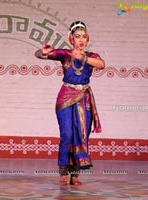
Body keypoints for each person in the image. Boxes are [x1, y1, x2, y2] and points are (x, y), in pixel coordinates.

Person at [35, 21, 105, 185]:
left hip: (84, 98)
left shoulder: (92, 56)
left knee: (81, 136)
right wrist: (43, 52)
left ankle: (75, 175)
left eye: (83, 36)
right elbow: (39, 54)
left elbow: (102, 65)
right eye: (77, 36)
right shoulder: (64, 54)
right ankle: (63, 171)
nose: (80, 39)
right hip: (66, 97)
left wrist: (83, 57)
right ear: (70, 38)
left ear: (87, 39)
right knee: (67, 134)